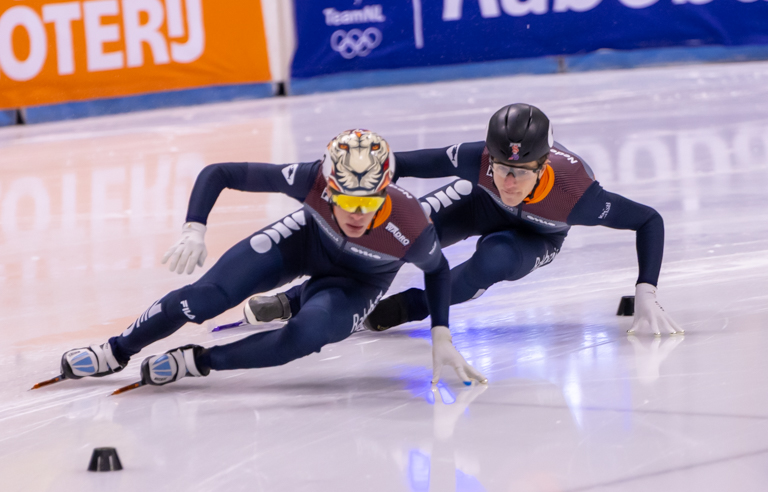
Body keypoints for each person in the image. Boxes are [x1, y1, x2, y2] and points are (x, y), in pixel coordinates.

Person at [51, 130, 486, 390]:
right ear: (327, 188)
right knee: (203, 299)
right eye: (344, 200)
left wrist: (441, 332)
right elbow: (220, 172)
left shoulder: (410, 224)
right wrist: (193, 227)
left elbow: (438, 270)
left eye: (368, 202)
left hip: (359, 283)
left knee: (305, 335)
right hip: (305, 242)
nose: (356, 214)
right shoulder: (311, 179)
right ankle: (115, 350)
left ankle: (198, 361)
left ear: (385, 191)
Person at [254, 104, 683, 336]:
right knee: (396, 231)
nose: (509, 181)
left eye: (520, 172)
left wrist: (645, 291)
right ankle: (295, 299)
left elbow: (649, 220)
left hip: (536, 235)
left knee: (492, 260)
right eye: (500, 167)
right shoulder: (478, 160)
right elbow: (402, 164)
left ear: (543, 166)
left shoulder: (578, 196)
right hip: (480, 203)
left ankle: (406, 307)